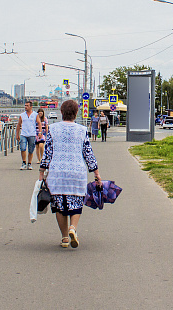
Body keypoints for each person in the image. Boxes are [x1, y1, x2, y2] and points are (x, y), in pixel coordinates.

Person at [39, 99, 101, 249]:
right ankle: (73, 228)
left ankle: (65, 237)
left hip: (57, 173)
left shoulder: (52, 129)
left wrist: (42, 172)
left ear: (61, 112)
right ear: (76, 113)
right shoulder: (82, 130)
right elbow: (88, 153)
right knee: (76, 203)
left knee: (60, 206)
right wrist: (96, 173)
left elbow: (47, 153)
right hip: (76, 172)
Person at [16, 102, 41, 170]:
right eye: (25, 105)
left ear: (31, 107)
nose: (25, 107)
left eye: (27, 106)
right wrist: (17, 134)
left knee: (31, 150)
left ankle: (29, 163)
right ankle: (24, 162)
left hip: (32, 134)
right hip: (23, 134)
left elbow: (39, 123)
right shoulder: (22, 115)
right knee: (23, 148)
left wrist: (40, 132)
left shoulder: (35, 115)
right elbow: (19, 124)